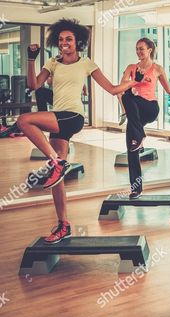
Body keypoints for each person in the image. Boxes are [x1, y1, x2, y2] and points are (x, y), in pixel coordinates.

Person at [16, 18, 141, 244]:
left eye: (69, 39)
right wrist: (31, 59)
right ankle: (64, 225)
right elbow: (33, 85)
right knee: (57, 180)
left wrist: (132, 84)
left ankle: (56, 162)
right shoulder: (53, 62)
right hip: (59, 119)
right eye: (61, 39)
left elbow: (112, 89)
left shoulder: (86, 64)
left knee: (24, 120)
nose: (65, 43)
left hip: (73, 116)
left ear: (78, 42)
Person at [119, 38, 170, 199]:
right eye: (136, 49)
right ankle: (136, 189)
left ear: (150, 50)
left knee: (129, 102)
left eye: (141, 49)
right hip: (135, 112)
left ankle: (140, 135)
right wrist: (135, 81)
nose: (138, 52)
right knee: (132, 150)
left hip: (150, 108)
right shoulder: (131, 68)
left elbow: (169, 89)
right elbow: (121, 88)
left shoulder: (157, 69)